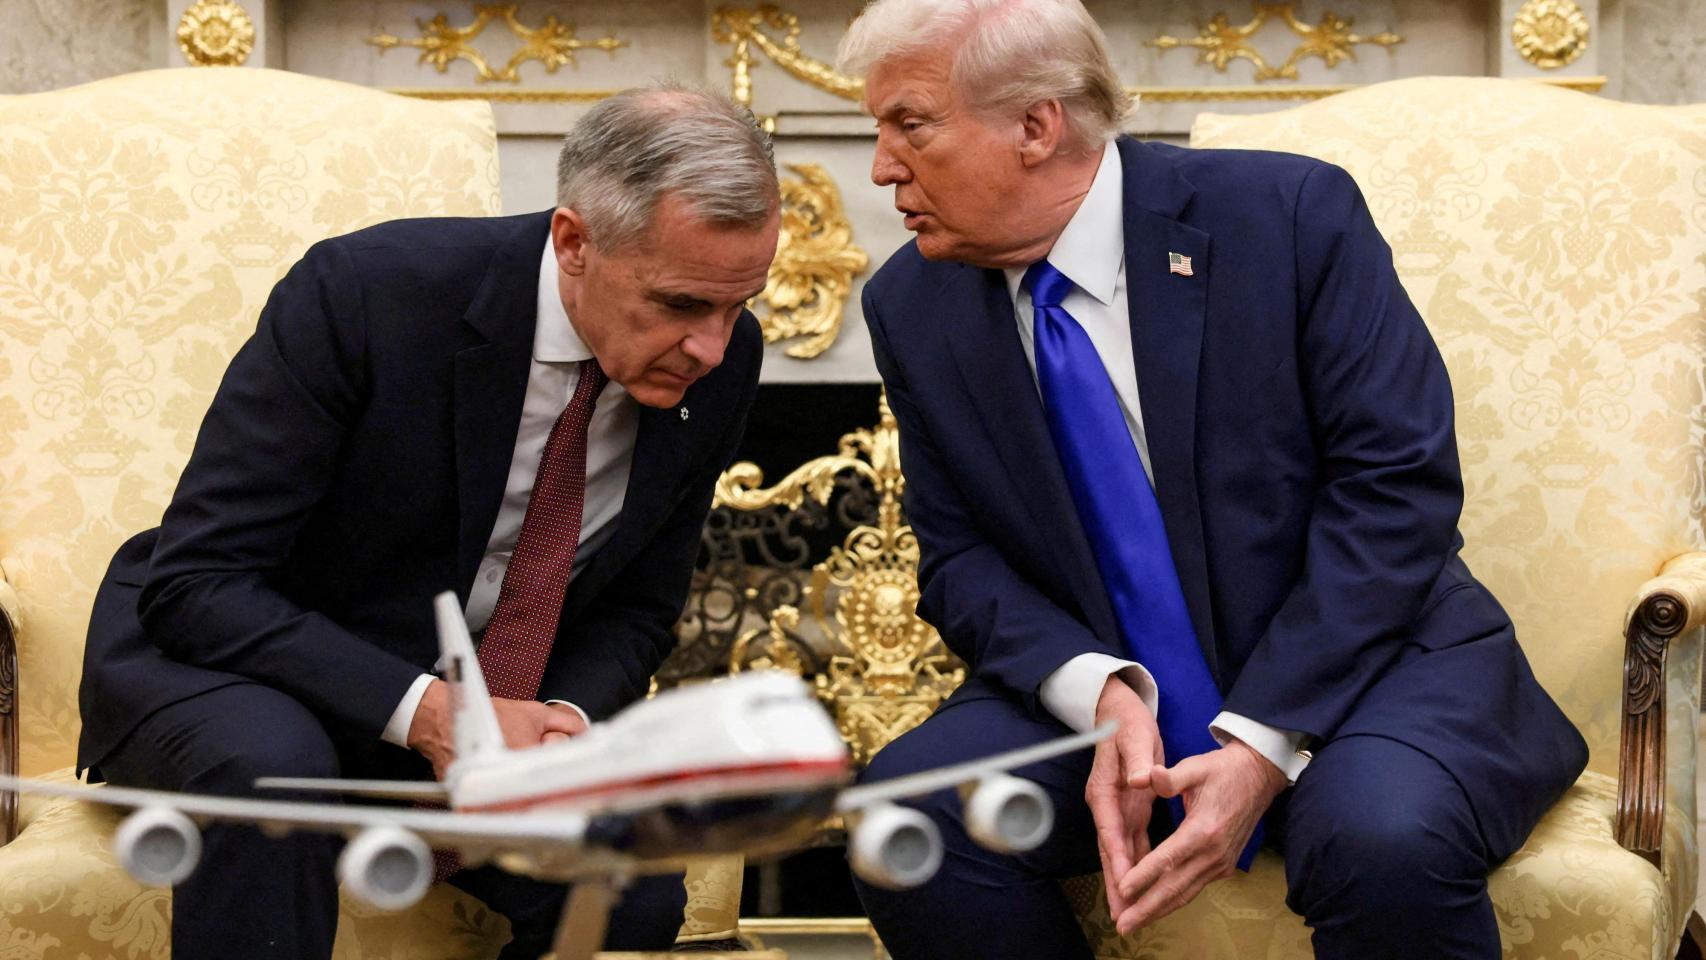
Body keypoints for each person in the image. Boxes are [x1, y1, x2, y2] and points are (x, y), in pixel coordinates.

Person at [836, 2, 1587, 958]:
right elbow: (959, 558)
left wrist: (1260, 741)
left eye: (910, 124)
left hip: (1365, 664)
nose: (882, 166)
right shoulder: (913, 301)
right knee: (906, 824)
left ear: (1036, 124)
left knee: (1378, 839)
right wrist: (1099, 695)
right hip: (1115, 689)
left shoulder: (1286, 218)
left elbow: (1396, 489)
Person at [73, 85, 778, 960]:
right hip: (243, 666)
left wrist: (557, 721)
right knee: (273, 779)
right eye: (679, 305)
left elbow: (637, 607)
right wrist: (432, 713)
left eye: (738, 303)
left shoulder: (720, 357)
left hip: (479, 697)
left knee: (626, 879)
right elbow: (199, 584)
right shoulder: (368, 294)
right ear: (574, 243)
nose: (712, 345)